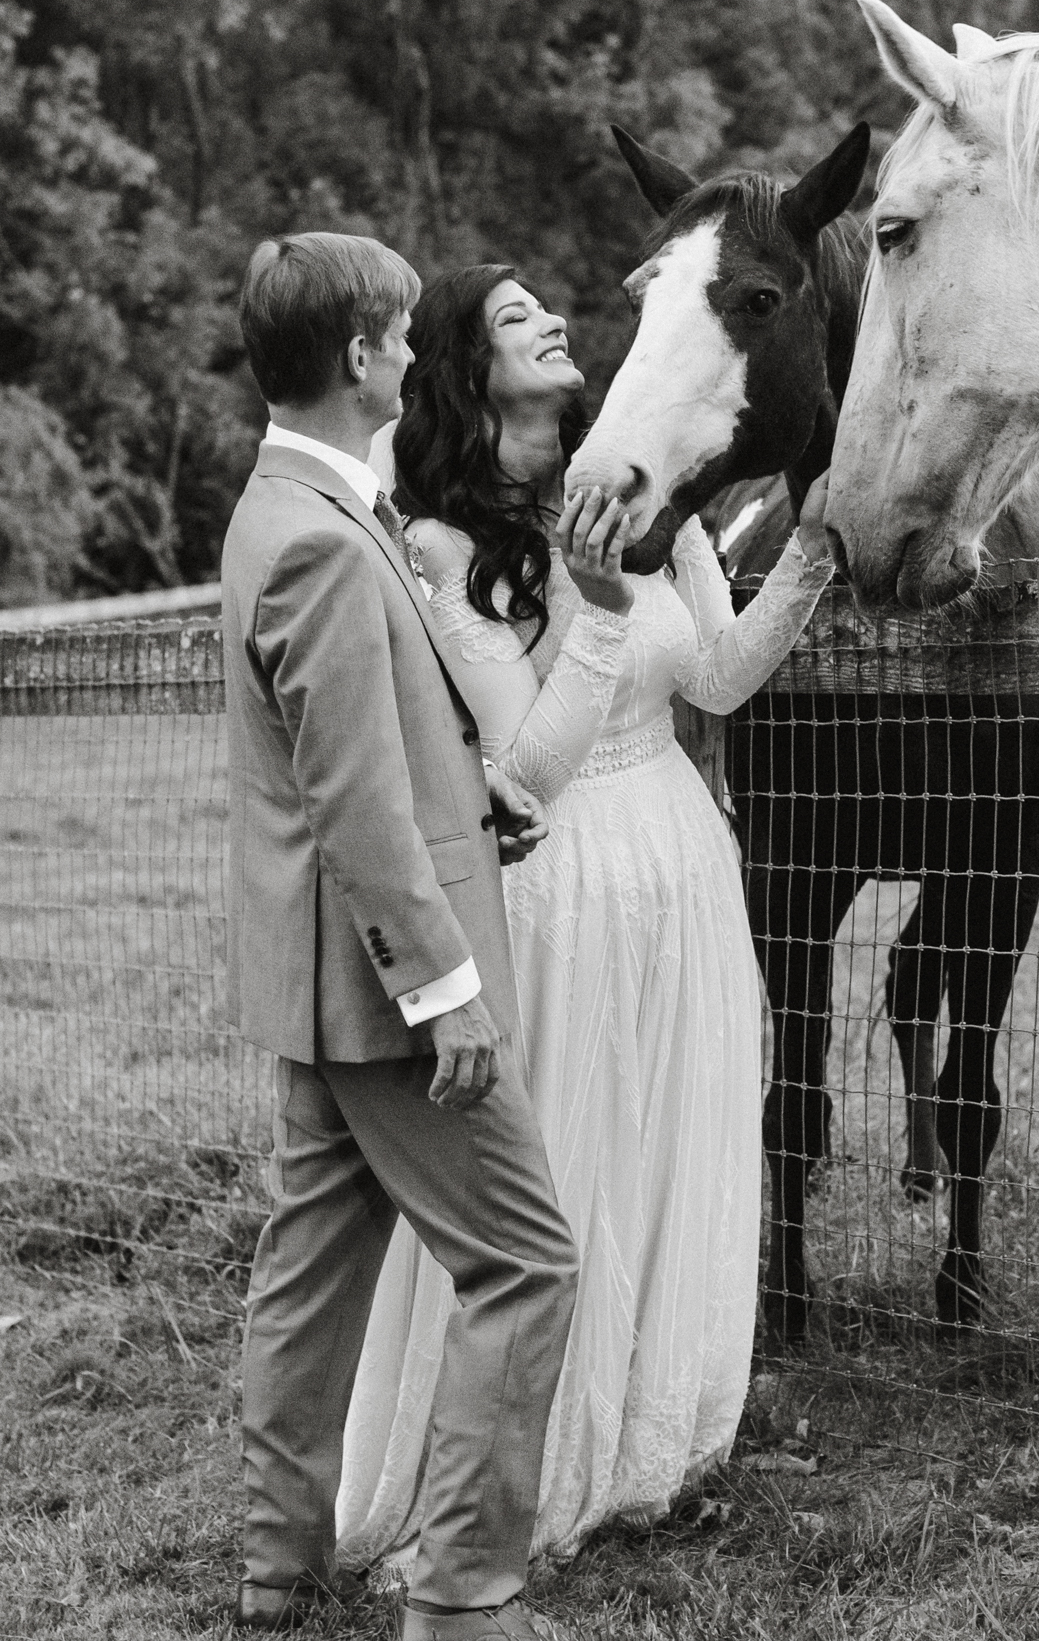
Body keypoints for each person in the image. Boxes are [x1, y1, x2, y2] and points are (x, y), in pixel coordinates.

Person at [337, 263, 834, 1572]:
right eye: (516, 316)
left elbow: (720, 679)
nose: (556, 320)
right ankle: (511, 1472)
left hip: (684, 866)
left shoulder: (646, 500)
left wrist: (816, 544)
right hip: (558, 887)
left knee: (670, 1140)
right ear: (463, 367)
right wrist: (592, 601)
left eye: (550, 307)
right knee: (566, 1172)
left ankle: (646, 1449)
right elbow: (525, 766)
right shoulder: (439, 544)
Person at [222, 232, 581, 1641]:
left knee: (311, 1273)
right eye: (397, 333)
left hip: (320, 975)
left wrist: (470, 787)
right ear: (366, 354)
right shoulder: (319, 537)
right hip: (385, 988)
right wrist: (449, 995)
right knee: (526, 1261)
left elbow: (360, 743)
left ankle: (276, 1570)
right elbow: (354, 805)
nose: (412, 354)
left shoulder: (292, 502)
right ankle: (466, 1598)